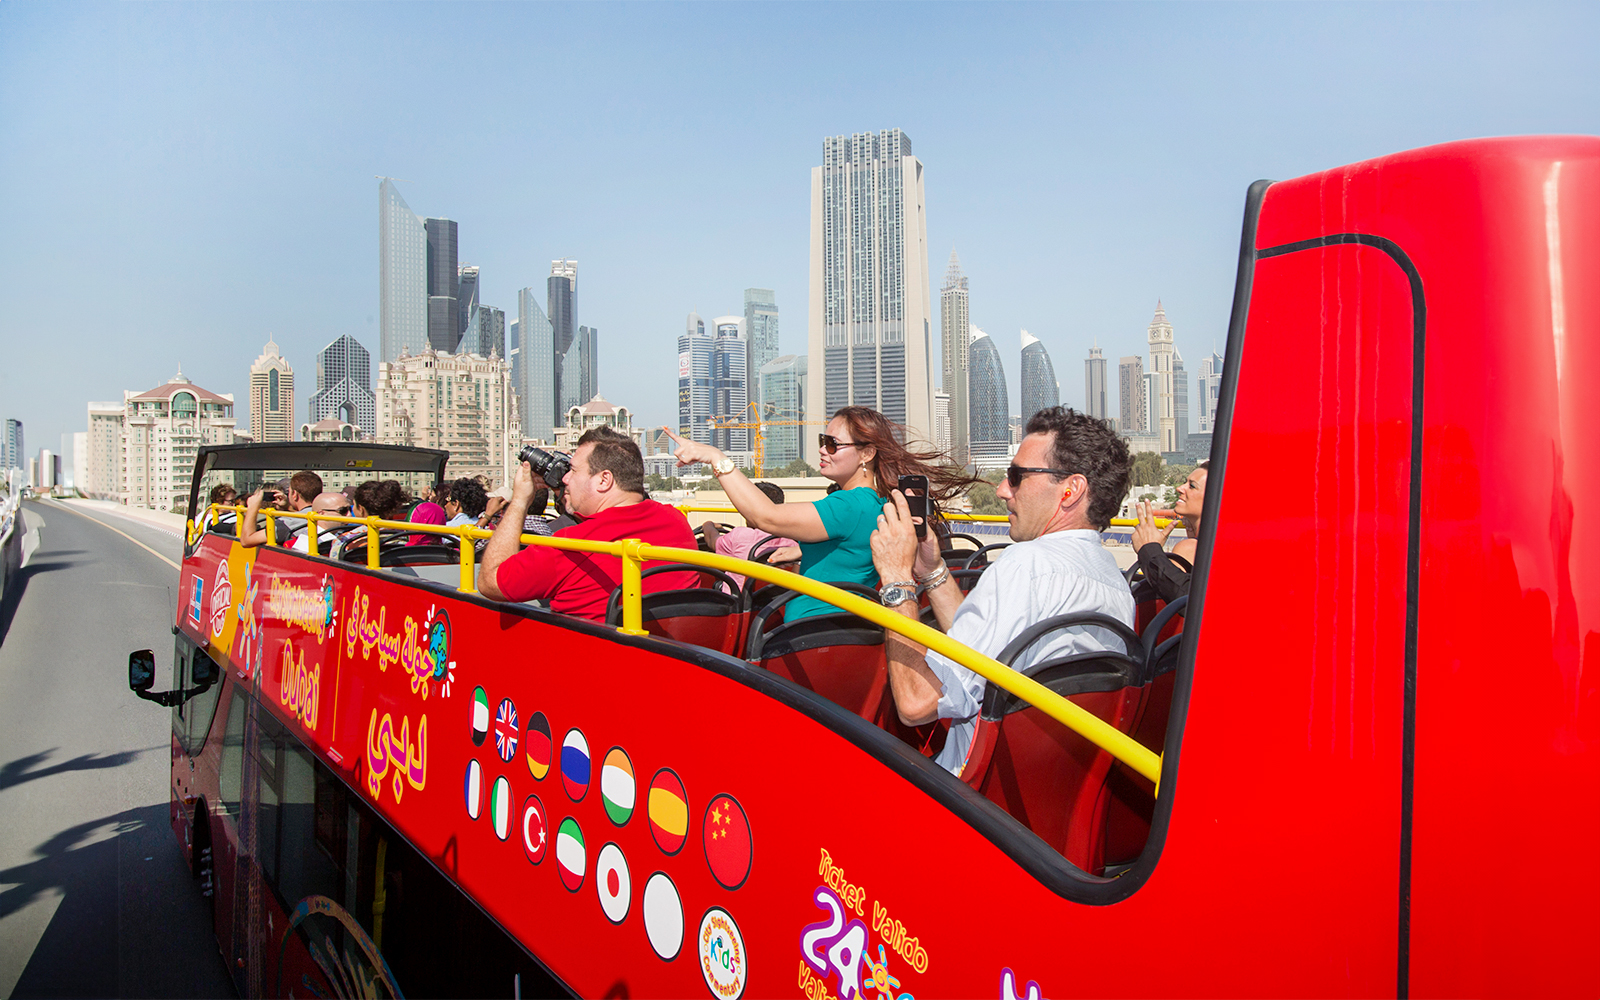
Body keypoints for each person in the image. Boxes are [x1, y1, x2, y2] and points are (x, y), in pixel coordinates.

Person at [868, 407, 1136, 775]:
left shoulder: (1023, 567)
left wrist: (897, 578)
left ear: (1071, 490)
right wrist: (932, 572)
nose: (1001, 490)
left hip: (961, 795)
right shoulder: (1114, 580)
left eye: (1016, 477)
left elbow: (916, 704)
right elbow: (983, 647)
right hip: (1039, 786)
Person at [663, 406, 977, 620]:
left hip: (806, 631)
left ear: (867, 453)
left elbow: (765, 517)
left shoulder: (847, 505)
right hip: (847, 625)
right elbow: (851, 544)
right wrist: (800, 548)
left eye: (832, 444)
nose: (822, 450)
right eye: (821, 441)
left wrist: (715, 458)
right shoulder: (879, 503)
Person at [478, 426, 698, 620]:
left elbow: (490, 583)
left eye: (572, 470)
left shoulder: (572, 546)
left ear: (604, 480)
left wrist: (518, 502)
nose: (565, 479)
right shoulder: (677, 521)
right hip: (671, 657)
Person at [1129, 461, 1208, 603]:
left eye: (1192, 486)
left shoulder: (1190, 548)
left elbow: (1178, 596)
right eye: (1185, 482)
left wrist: (1149, 548)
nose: (1179, 488)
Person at [698, 482, 801, 588]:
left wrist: (708, 525)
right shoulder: (793, 542)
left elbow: (712, 541)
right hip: (776, 601)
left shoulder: (741, 536)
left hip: (738, 600)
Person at [238, 471, 324, 548]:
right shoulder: (326, 515)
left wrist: (252, 507)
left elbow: (246, 541)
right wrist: (287, 507)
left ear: (294, 494)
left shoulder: (287, 523)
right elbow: (304, 513)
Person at [288, 492, 353, 555]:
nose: (350, 515)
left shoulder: (338, 534)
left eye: (350, 509)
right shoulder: (308, 543)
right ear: (321, 514)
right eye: (343, 511)